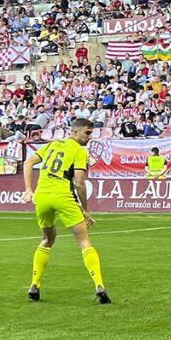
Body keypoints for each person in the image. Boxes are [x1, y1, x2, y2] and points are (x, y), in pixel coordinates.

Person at [23, 118, 110, 304]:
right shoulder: (79, 151)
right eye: (87, 133)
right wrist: (85, 210)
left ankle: (34, 285)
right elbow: (79, 183)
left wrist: (28, 190)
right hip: (62, 196)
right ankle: (99, 285)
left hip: (42, 197)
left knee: (47, 239)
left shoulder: (52, 145)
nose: (89, 137)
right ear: (75, 132)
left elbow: (28, 162)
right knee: (84, 241)